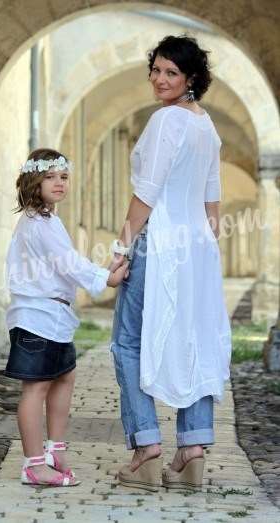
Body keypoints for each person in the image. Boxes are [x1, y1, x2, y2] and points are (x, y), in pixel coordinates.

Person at [109, 35, 232, 491]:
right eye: (156, 69)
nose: (160, 80)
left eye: (171, 73)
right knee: (194, 338)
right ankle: (192, 450)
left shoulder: (167, 122)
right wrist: (202, 248)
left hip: (158, 243)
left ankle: (145, 451)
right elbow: (212, 201)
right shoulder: (207, 127)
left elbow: (146, 194)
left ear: (191, 79)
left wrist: (122, 250)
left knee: (127, 343)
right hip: (196, 248)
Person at [4, 148, 128, 487]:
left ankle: (54, 449)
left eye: (64, 177)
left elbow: (67, 260)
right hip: (36, 316)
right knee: (37, 387)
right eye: (50, 176)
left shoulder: (48, 220)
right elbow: (68, 263)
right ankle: (33, 465)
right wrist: (106, 278)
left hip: (54, 315)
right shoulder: (36, 223)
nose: (59, 183)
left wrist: (104, 272)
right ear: (34, 180)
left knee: (65, 376)